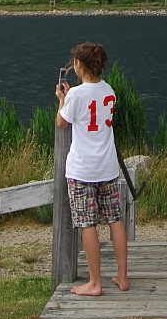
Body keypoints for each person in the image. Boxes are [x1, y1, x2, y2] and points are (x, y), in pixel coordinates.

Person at [55, 42, 129, 296]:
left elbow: (62, 123)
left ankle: (94, 282)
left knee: (88, 223)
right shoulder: (109, 91)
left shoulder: (75, 94)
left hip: (82, 168)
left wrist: (62, 100)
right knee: (115, 220)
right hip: (107, 166)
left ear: (79, 64)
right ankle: (122, 276)